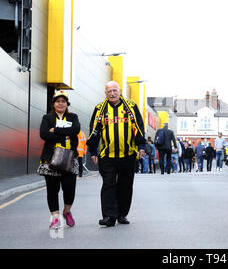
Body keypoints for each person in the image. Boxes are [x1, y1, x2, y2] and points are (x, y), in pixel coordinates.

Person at [87, 81, 146, 227]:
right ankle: (109, 216)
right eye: (109, 91)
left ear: (120, 91)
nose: (112, 93)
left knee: (125, 186)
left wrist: (141, 146)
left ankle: (121, 214)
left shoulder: (131, 107)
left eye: (115, 90)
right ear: (105, 93)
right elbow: (94, 129)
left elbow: (139, 126)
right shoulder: (100, 109)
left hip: (128, 155)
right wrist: (93, 151)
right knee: (108, 185)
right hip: (107, 155)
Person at [37, 90, 80, 229]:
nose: (60, 104)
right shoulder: (47, 118)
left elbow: (76, 130)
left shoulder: (73, 117)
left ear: (67, 104)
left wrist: (55, 130)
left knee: (69, 190)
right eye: (58, 101)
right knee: (52, 191)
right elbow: (43, 134)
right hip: (50, 160)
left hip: (69, 158)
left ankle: (67, 212)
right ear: (53, 104)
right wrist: (65, 136)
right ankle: (55, 218)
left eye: (63, 101)